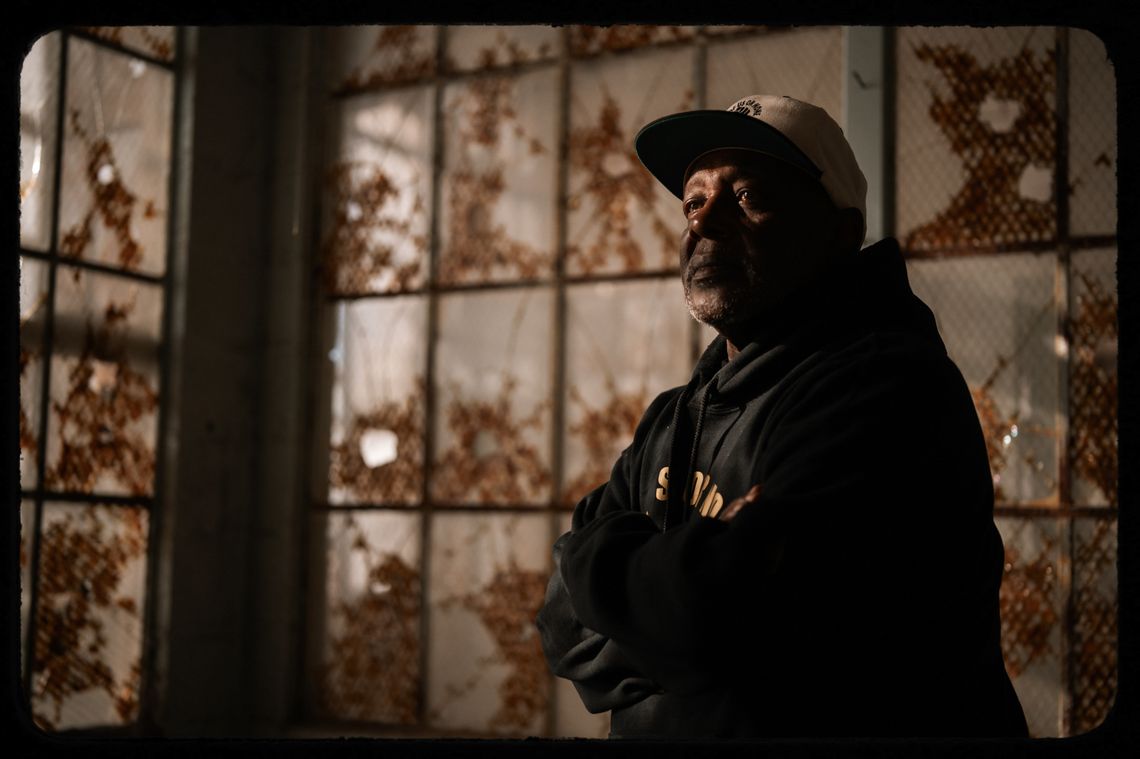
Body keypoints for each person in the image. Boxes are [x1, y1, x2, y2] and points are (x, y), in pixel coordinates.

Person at [535, 94, 1029, 739]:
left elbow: (730, 628)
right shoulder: (672, 414)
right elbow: (559, 628)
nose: (704, 223)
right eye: (693, 200)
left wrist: (593, 556)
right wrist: (677, 588)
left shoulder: (885, 385)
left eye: (748, 197)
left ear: (840, 233)